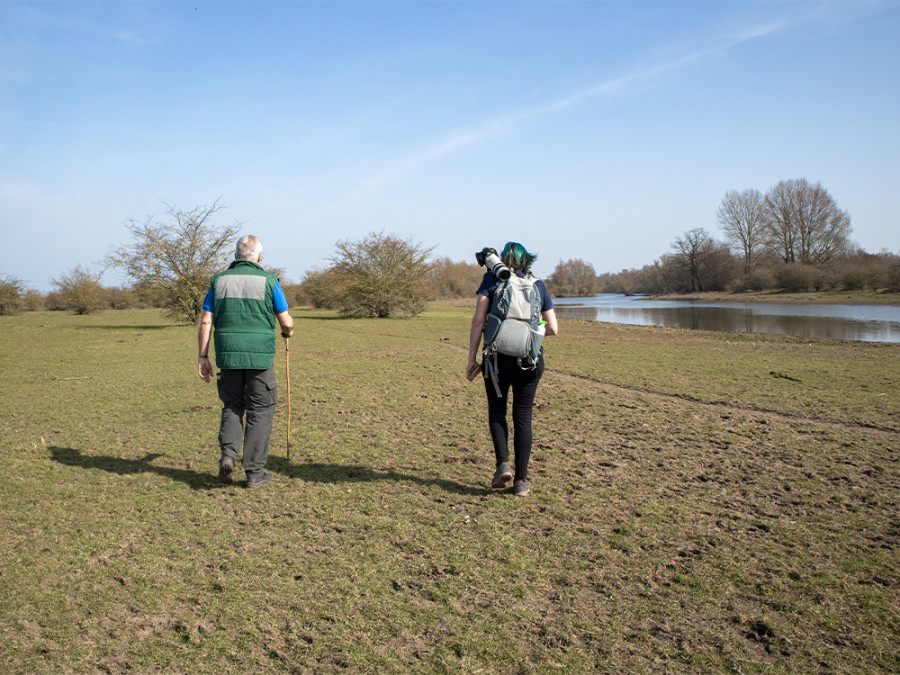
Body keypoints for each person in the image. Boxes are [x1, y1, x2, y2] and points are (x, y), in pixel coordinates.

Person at [197, 235, 294, 489]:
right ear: (259, 257)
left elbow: (206, 321)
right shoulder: (270, 281)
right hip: (260, 358)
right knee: (260, 411)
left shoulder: (218, 281)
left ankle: (228, 456)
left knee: (232, 405)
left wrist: (203, 356)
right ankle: (254, 473)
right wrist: (288, 332)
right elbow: (286, 321)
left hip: (228, 356)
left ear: (236, 255)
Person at [467, 242, 558, 496]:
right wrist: (528, 331)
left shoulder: (491, 281)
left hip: (496, 361)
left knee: (497, 412)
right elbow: (552, 328)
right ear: (526, 260)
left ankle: (502, 465)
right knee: (523, 418)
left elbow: (477, 321)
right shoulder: (537, 284)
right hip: (529, 361)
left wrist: (472, 359)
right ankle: (521, 481)